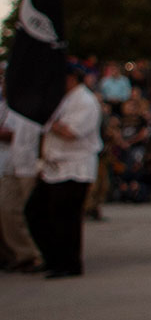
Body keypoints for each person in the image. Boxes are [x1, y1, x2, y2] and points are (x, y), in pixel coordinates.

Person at [25, 64, 104, 278]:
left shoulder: (85, 101)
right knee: (36, 212)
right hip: (54, 166)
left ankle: (69, 263)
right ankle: (52, 258)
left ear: (71, 78)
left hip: (75, 166)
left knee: (65, 218)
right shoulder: (63, 99)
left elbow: (71, 132)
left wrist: (48, 121)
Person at [0, 98, 45, 272]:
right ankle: (19, 253)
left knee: (29, 212)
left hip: (30, 164)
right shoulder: (10, 103)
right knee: (8, 209)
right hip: (10, 164)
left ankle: (34, 254)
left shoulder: (35, 102)